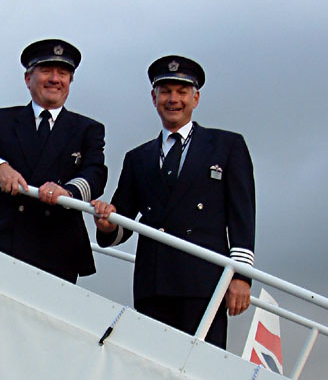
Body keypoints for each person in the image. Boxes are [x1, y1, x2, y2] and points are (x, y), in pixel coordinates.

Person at [92, 55, 255, 348]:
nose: (173, 99)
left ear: (196, 98)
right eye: (165, 91)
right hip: (154, 284)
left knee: (202, 368)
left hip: (204, 281)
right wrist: (106, 224)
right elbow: (122, 222)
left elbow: (242, 215)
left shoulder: (227, 146)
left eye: (181, 92)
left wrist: (241, 276)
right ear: (154, 98)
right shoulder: (137, 157)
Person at [0, 38, 107, 284]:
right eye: (46, 71)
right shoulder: (1, 120)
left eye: (63, 73)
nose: (55, 79)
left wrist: (67, 191)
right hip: (2, 239)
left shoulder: (88, 129)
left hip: (57, 250)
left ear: (69, 82)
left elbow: (95, 174)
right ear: (28, 79)